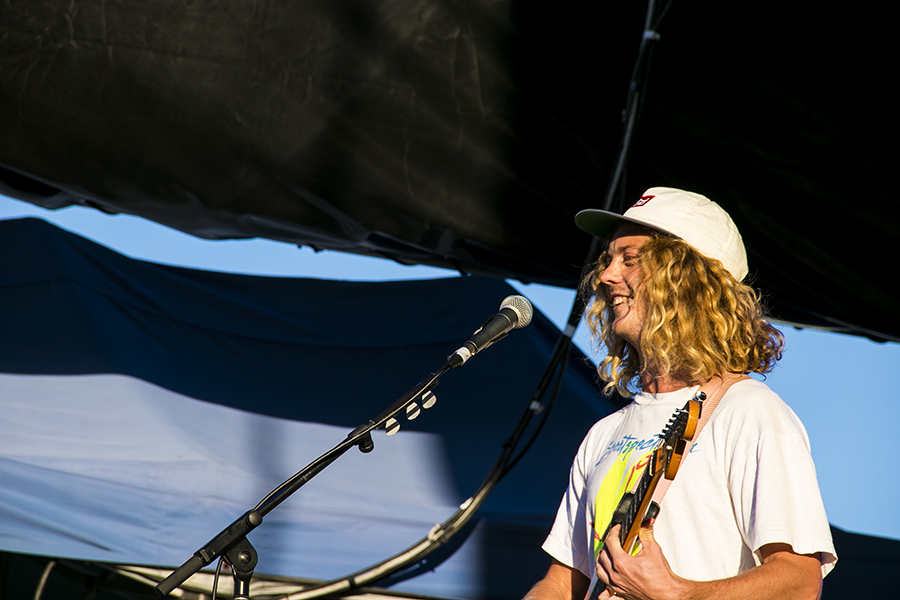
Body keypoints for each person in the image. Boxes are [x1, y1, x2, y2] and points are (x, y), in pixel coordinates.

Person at [526, 188, 836, 600]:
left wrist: (677, 593)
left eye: (630, 259)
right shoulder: (603, 434)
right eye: (608, 259)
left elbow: (799, 582)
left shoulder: (750, 413)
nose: (606, 276)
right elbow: (562, 582)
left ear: (686, 280)